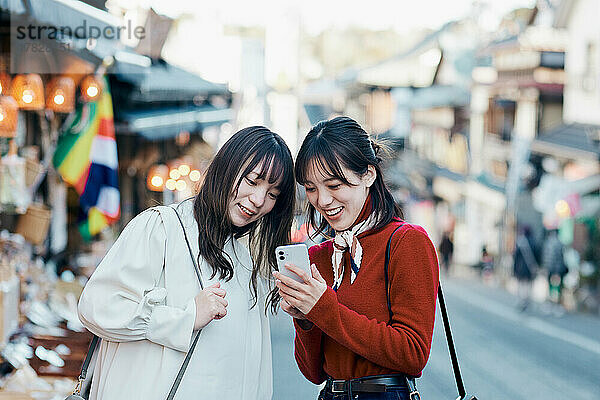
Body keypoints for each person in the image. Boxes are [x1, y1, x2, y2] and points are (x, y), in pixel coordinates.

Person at [78, 126, 295, 400]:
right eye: (252, 181)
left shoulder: (246, 265)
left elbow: (253, 374)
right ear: (225, 169)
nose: (258, 200)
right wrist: (185, 318)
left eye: (273, 194)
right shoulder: (161, 228)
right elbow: (97, 306)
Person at [274, 117, 439, 400]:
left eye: (334, 185)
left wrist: (324, 308)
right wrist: (306, 318)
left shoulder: (406, 241)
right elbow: (313, 373)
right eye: (311, 188)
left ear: (368, 175)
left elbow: (413, 353)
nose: (322, 200)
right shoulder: (320, 256)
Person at [513, 225, 539, 311]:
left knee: (521, 286)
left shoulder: (520, 242)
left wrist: (514, 269)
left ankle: (521, 301)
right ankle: (526, 301)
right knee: (528, 286)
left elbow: (515, 258)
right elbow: (537, 256)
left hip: (520, 269)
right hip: (529, 268)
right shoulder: (534, 242)